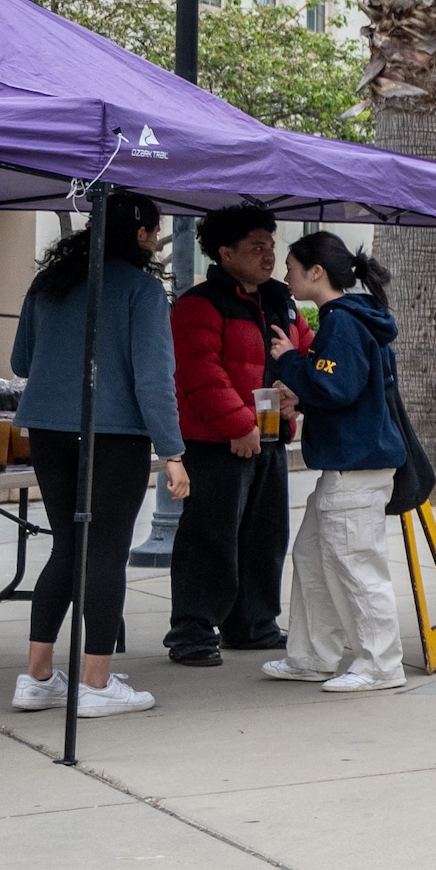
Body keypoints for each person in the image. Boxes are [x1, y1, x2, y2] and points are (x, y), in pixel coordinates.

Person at [10, 192, 189, 719]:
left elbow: (21, 361)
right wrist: (173, 452)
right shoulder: (141, 290)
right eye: (154, 232)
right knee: (106, 551)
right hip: (113, 434)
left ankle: (37, 676)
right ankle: (95, 681)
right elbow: (155, 380)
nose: (156, 241)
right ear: (140, 234)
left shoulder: (49, 285)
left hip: (48, 428)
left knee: (68, 547)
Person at [267, 232, 414, 693]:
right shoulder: (351, 319)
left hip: (355, 467)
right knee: (313, 556)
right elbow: (347, 391)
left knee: (355, 565)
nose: (284, 275)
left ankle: (380, 664)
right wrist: (303, 388)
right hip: (353, 464)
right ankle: (312, 655)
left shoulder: (341, 323)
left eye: (291, 266)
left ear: (316, 272)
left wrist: (290, 362)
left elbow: (336, 387)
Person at [163, 201, 303, 668]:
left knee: (266, 536)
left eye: (271, 245)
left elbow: (304, 350)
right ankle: (193, 632)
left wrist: (296, 395)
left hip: (270, 437)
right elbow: (199, 373)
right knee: (210, 537)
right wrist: (240, 425)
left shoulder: (281, 300)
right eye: (256, 247)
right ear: (225, 253)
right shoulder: (200, 303)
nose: (268, 255)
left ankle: (253, 625)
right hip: (216, 443)